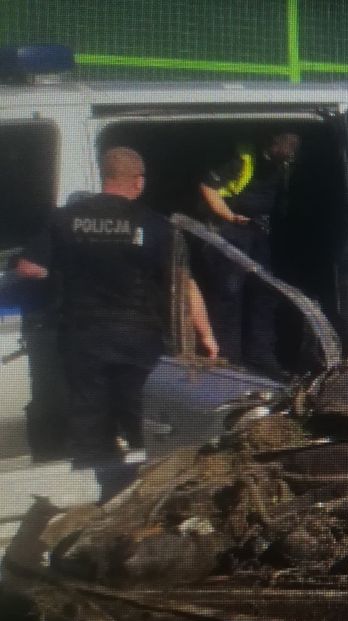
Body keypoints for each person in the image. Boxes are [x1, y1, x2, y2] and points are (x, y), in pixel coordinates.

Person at [15, 146, 217, 467]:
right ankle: (148, 484)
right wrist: (206, 336)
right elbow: (183, 286)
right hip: (137, 335)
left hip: (81, 336)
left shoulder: (64, 219)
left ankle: (91, 489)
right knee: (143, 416)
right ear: (138, 181)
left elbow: (27, 268)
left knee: (88, 415)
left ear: (104, 176)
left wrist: (59, 271)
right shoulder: (155, 225)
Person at [199, 131, 299, 375]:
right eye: (282, 153)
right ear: (271, 145)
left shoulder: (285, 163)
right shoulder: (242, 160)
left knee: (264, 293)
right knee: (229, 295)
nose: (286, 159)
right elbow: (208, 187)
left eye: (290, 155)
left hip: (260, 231)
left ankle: (260, 357)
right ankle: (229, 361)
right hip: (231, 229)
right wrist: (230, 216)